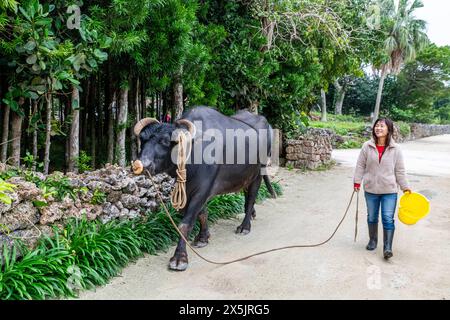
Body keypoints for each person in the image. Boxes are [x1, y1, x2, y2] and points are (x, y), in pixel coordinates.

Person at [353, 118, 411, 260]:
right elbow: (360, 165)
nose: (378, 128)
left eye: (382, 126)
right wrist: (357, 182)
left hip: (389, 191)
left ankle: (387, 247)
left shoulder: (396, 149)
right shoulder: (367, 146)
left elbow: (400, 170)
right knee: (372, 217)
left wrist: (405, 187)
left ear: (388, 130)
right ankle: (373, 241)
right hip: (371, 189)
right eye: (377, 126)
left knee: (387, 218)